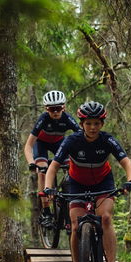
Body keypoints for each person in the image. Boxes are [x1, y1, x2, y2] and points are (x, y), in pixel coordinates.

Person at [42, 101, 131, 262]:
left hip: (103, 182)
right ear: (82, 123)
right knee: (76, 226)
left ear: (102, 124)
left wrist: (130, 180)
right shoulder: (72, 141)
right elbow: (53, 167)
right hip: (76, 183)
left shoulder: (107, 140)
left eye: (96, 123)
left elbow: (127, 163)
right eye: (88, 123)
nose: (92, 127)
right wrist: (48, 187)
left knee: (106, 217)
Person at [23, 90, 80, 226]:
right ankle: (46, 211)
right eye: (51, 109)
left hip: (59, 144)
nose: (55, 112)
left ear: (64, 107)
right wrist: (31, 163)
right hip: (41, 144)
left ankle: (67, 195)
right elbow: (28, 145)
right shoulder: (43, 119)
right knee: (43, 171)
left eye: (58, 108)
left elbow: (82, 136)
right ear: (46, 109)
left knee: (71, 169)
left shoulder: (67, 119)